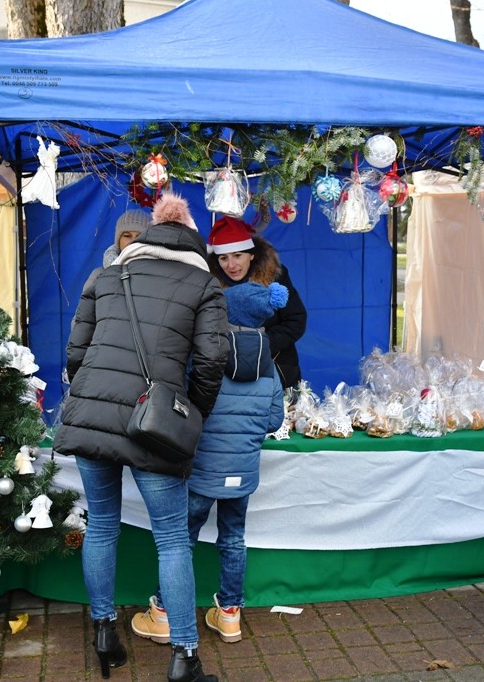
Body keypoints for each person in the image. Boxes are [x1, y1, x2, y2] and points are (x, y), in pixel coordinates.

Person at [53, 193, 228, 682]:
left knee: (101, 524)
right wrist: (191, 413)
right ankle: (184, 658)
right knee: (171, 540)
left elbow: (75, 352)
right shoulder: (204, 284)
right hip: (154, 424)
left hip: (92, 413)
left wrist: (94, 399)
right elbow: (212, 360)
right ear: (191, 240)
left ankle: (104, 632)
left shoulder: (106, 276)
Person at [132, 282, 286, 646]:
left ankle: (164, 614)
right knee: (233, 539)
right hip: (243, 473)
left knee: (181, 540)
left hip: (202, 471)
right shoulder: (269, 365)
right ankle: (230, 615)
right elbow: (274, 420)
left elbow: (184, 409)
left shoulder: (205, 357)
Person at [206, 217, 307, 389]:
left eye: (237, 256)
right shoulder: (210, 286)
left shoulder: (275, 277)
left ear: (251, 255)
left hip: (277, 370)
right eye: (223, 258)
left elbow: (296, 320)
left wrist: (261, 345)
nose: (231, 265)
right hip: (229, 377)